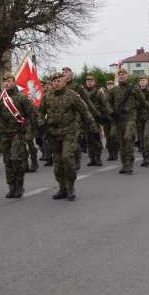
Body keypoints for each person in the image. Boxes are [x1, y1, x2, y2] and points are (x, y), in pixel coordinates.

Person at [38, 72, 99, 201]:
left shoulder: (72, 96)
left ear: (64, 81)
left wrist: (94, 127)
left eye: (59, 80)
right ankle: (62, 187)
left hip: (69, 132)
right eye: (54, 81)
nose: (56, 83)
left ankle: (70, 186)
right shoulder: (47, 96)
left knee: (67, 158)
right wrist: (41, 124)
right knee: (57, 162)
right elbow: (40, 113)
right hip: (53, 133)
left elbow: (85, 111)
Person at [0, 72, 36, 198]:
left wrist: (30, 132)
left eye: (9, 81)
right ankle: (11, 186)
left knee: (16, 160)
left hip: (17, 133)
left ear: (14, 82)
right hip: (4, 134)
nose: (6, 83)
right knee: (7, 161)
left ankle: (19, 186)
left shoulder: (22, 97)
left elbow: (32, 115)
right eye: (4, 82)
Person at [109, 68, 149, 174]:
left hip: (130, 118)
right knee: (121, 142)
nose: (121, 75)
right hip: (119, 119)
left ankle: (129, 164)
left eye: (123, 74)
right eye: (119, 74)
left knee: (128, 138)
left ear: (127, 76)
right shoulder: (114, 90)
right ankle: (124, 164)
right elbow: (107, 103)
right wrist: (111, 112)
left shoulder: (134, 89)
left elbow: (143, 101)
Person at [62, 66, 99, 170]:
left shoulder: (77, 86)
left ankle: (77, 160)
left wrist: (95, 114)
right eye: (63, 72)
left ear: (71, 73)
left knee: (76, 139)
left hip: (76, 116)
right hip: (64, 118)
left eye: (67, 72)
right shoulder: (61, 86)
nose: (65, 73)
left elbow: (87, 101)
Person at [85, 73, 113, 166]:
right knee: (88, 139)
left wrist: (110, 114)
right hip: (86, 119)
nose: (89, 82)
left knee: (96, 138)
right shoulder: (83, 92)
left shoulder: (99, 92)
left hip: (96, 118)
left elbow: (105, 104)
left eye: (91, 81)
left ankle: (97, 158)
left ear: (94, 82)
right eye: (87, 81)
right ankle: (91, 158)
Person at [104, 80, 119, 160]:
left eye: (111, 84)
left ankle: (115, 152)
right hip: (106, 118)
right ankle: (110, 154)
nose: (110, 86)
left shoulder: (116, 93)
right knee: (108, 137)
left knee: (113, 136)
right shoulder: (103, 94)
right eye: (108, 85)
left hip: (114, 118)